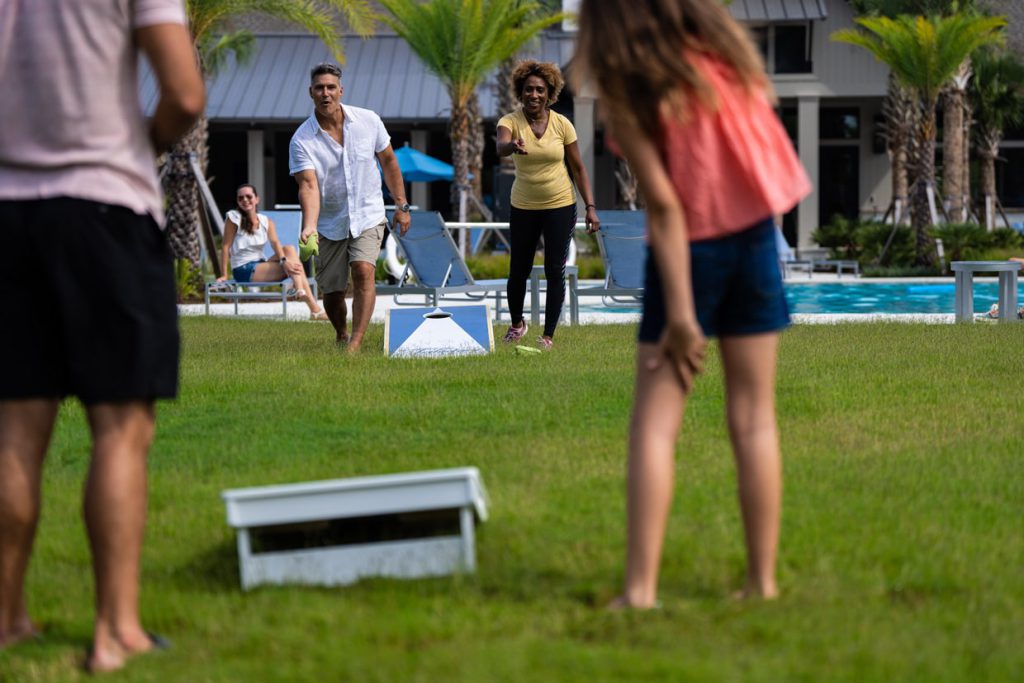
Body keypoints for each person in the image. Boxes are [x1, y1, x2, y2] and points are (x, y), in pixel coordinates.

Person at [576, 0, 811, 607]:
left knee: (654, 427)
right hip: (757, 242)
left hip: (691, 254)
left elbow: (668, 207)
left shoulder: (630, 89)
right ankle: (762, 584)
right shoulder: (725, 58)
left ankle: (640, 592)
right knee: (755, 418)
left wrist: (680, 316)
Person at [0, 0, 204, 672]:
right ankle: (116, 629)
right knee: (120, 429)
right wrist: (137, 144)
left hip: (8, 216)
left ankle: (7, 619)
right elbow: (182, 93)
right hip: (104, 208)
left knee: (15, 434)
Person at [289, 63, 411, 353]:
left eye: (331, 87)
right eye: (320, 88)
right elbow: (308, 186)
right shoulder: (301, 140)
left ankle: (355, 343)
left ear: (341, 90)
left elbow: (389, 162)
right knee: (331, 292)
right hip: (329, 221)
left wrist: (402, 205)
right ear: (311, 93)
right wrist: (309, 225)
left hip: (368, 213)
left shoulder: (369, 121)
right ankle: (342, 332)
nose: (326, 93)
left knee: (363, 270)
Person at [496, 60, 600, 350]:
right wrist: (510, 147)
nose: (534, 95)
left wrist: (590, 206)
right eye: (528, 89)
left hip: (560, 204)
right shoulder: (510, 121)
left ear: (549, 92)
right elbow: (500, 146)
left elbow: (578, 168)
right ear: (520, 91)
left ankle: (548, 336)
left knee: (556, 269)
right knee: (519, 269)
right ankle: (517, 324)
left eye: (540, 90)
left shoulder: (562, 124)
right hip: (524, 205)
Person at [216, 183, 328, 320]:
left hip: (261, 263)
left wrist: (283, 261)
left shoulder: (265, 221)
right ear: (237, 202)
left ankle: (300, 291)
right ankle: (312, 306)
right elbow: (226, 247)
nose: (245, 200)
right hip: (244, 269)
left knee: (289, 249)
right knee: (295, 265)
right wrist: (224, 275)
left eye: (248, 196)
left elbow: (275, 243)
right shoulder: (233, 218)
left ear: (257, 199)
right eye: (241, 198)